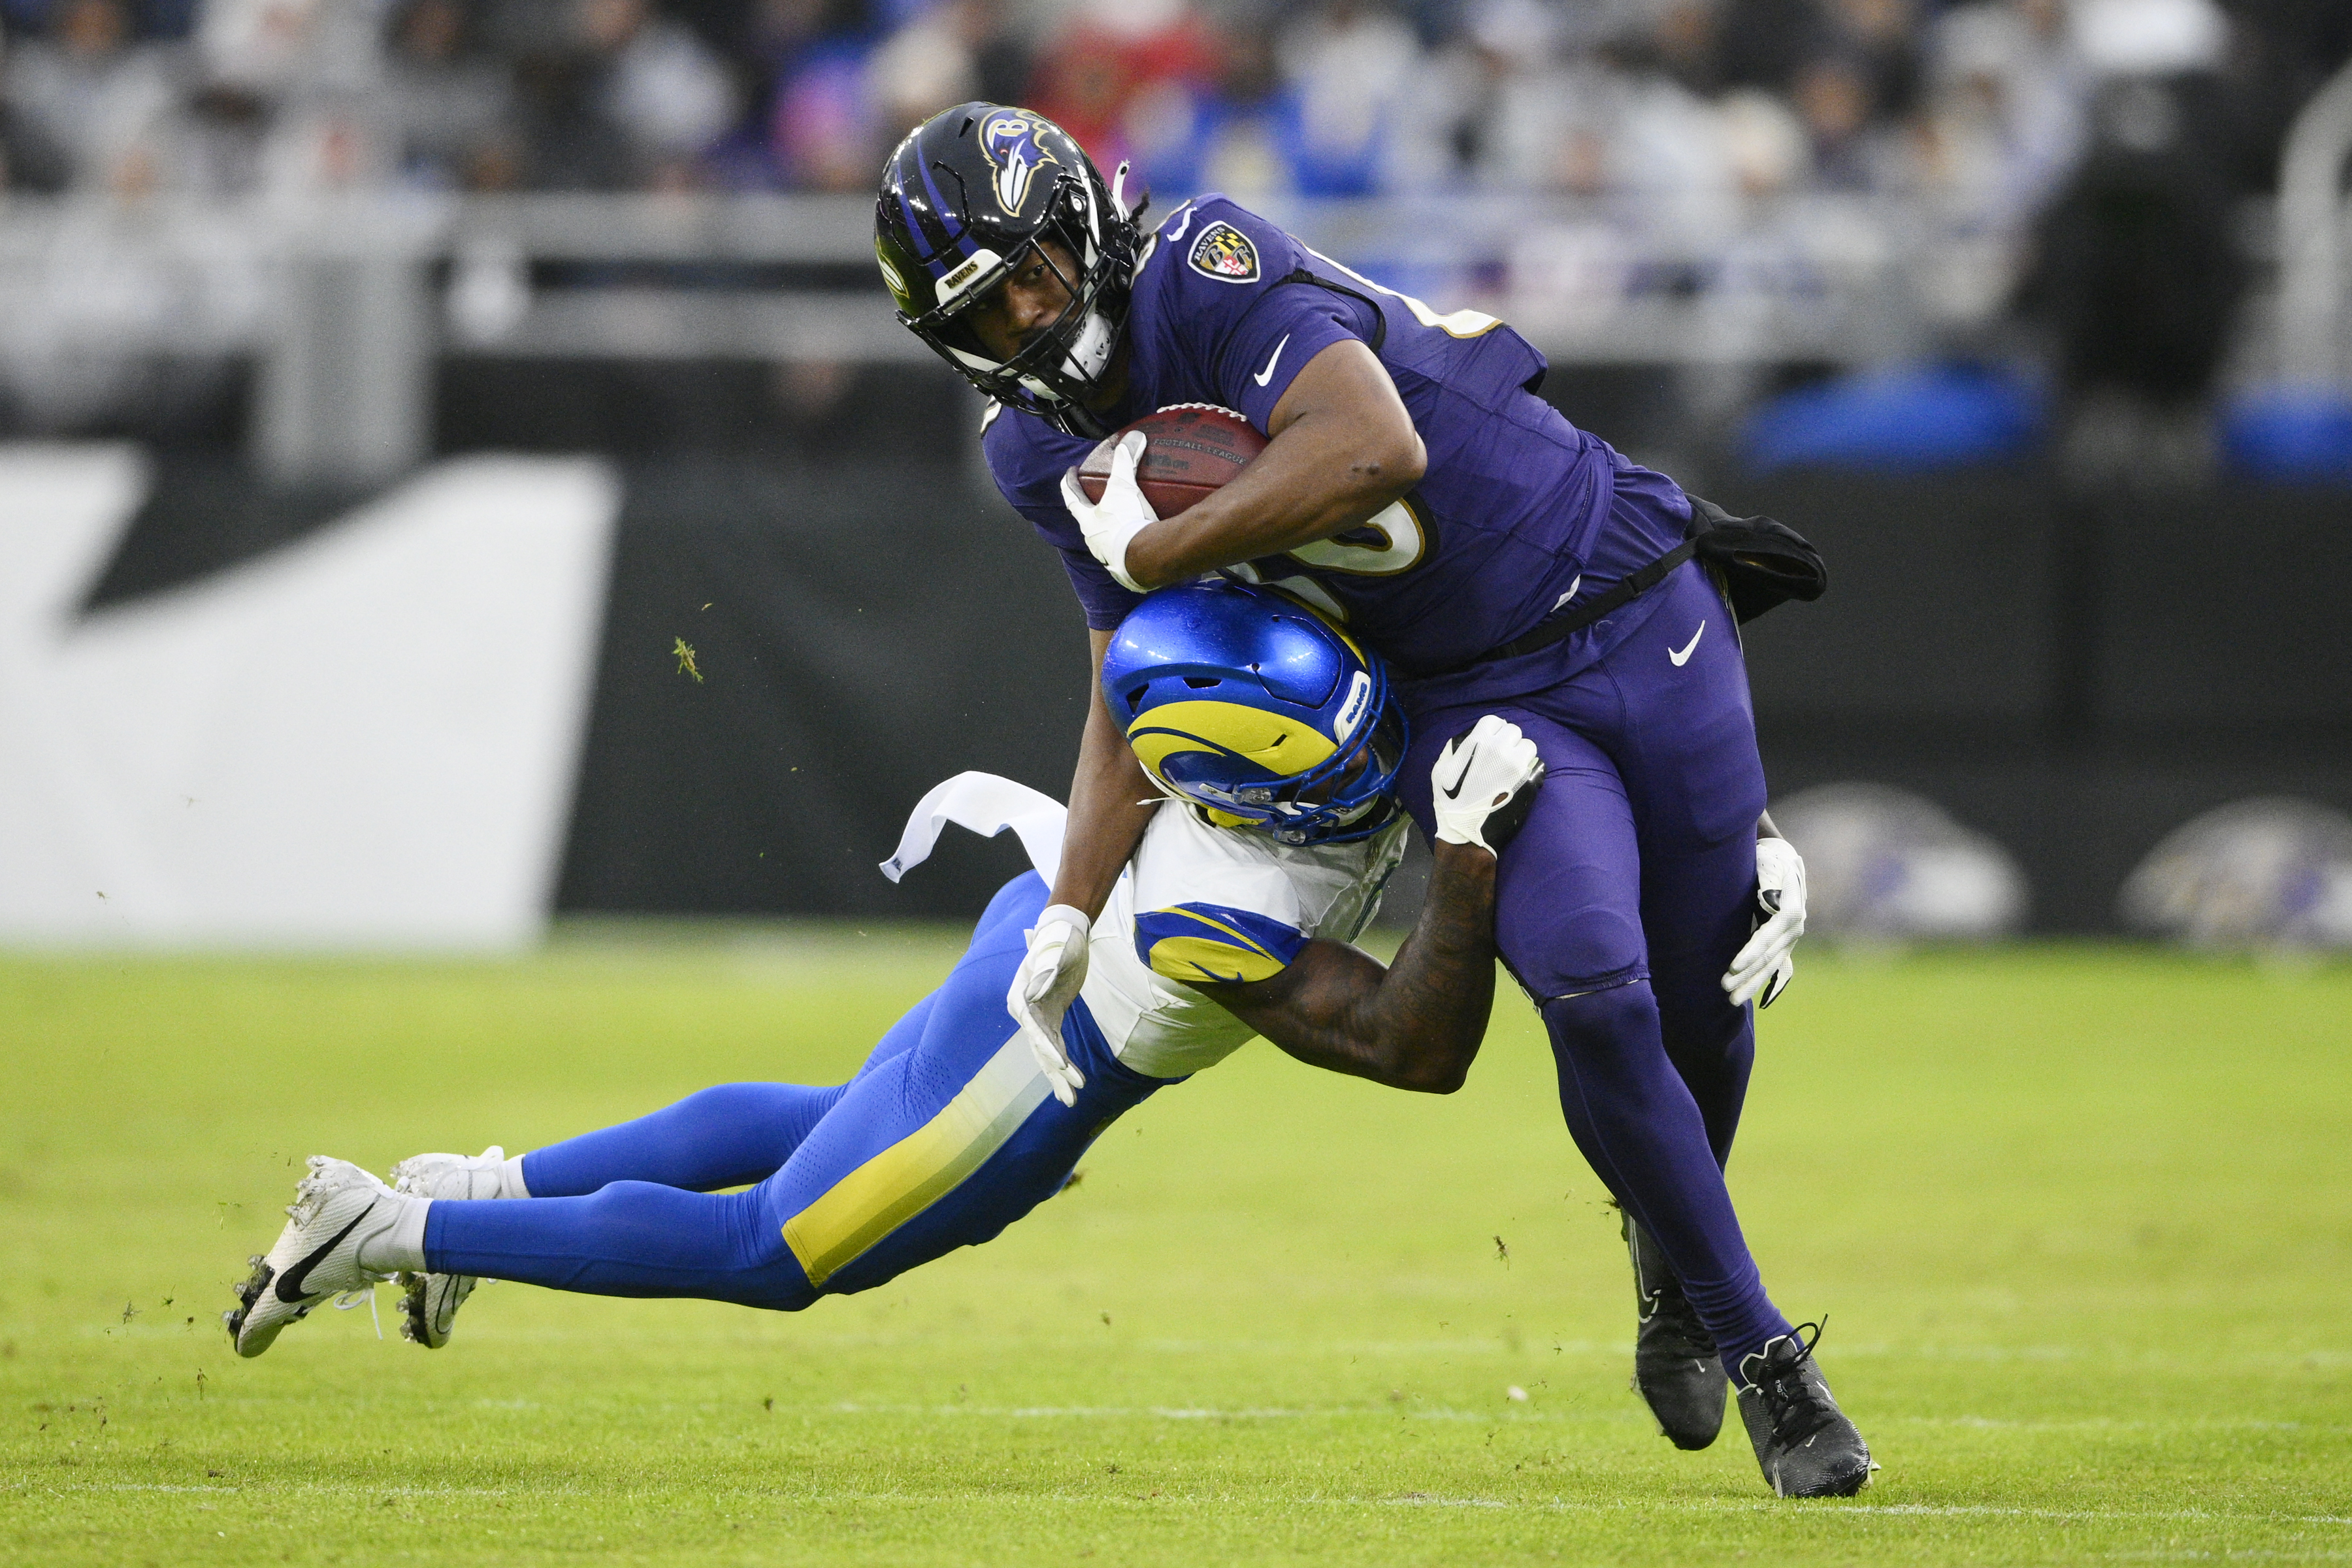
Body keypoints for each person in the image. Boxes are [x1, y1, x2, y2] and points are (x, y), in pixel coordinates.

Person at [874, 103, 1862, 1497]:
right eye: (984, 311)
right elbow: (1125, 682)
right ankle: (1768, 1356)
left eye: (1032, 271)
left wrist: (1164, 547)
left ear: (1082, 227)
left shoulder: (1203, 266)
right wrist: (1073, 903)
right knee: (1594, 985)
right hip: (1475, 690)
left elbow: (1371, 447)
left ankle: (1671, 1266)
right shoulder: (1033, 451)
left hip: (1627, 587)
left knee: (1708, 993)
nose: (1026, 320)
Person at [223, 581, 1546, 1358]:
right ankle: (391, 1230)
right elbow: (1410, 1049)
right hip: (1041, 1060)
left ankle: (483, 1187)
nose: (1366, 776)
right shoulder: (1212, 914)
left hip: (1037, 931)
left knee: (826, 1118)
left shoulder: (1259, 706)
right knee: (773, 1249)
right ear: (1224, 781)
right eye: (1327, 765)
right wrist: (1470, 854)